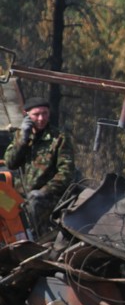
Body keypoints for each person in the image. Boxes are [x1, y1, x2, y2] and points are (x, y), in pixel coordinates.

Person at [3, 96, 75, 235]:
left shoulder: (59, 138)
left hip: (48, 197)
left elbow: (66, 173)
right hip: (19, 196)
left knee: (33, 205)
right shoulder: (21, 135)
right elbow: (10, 163)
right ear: (27, 115)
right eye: (36, 115)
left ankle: (34, 244)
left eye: (45, 114)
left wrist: (43, 191)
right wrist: (22, 140)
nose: (41, 118)